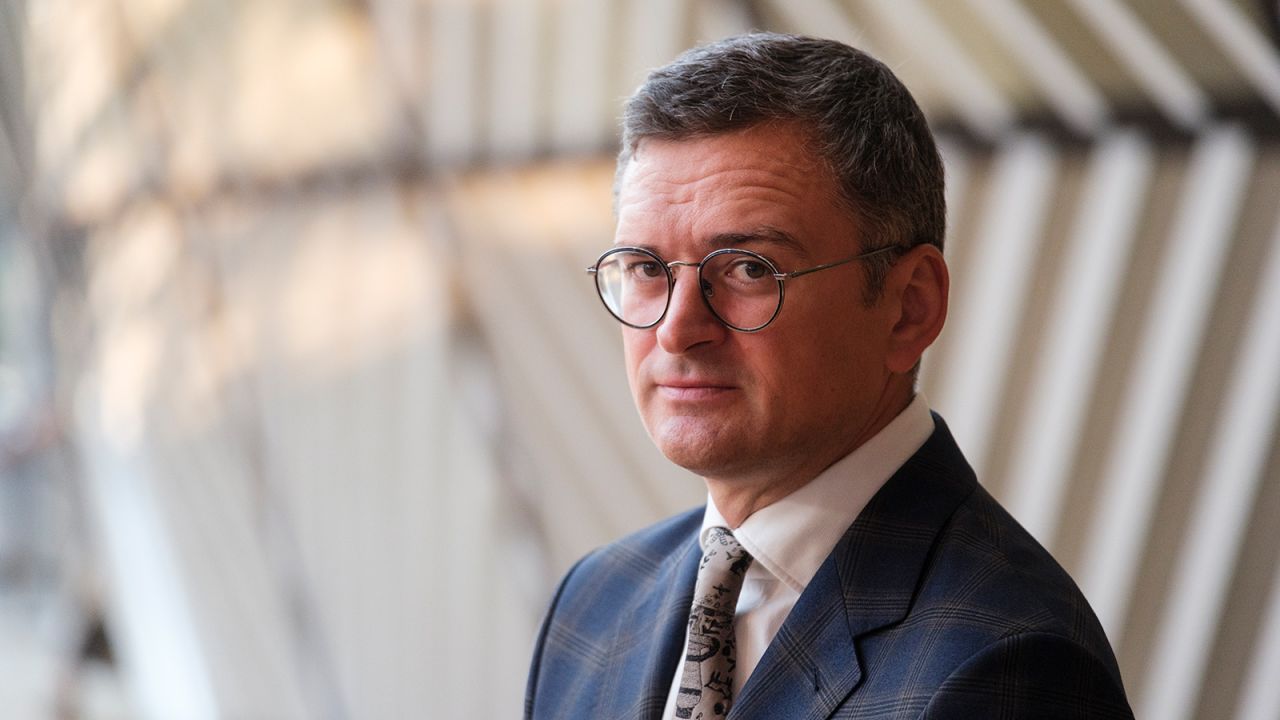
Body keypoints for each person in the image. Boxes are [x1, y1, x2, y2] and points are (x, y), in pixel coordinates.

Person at [525, 32, 1133, 719]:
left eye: (750, 269)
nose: (676, 329)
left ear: (910, 308)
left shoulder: (1007, 663)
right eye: (645, 269)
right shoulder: (593, 604)